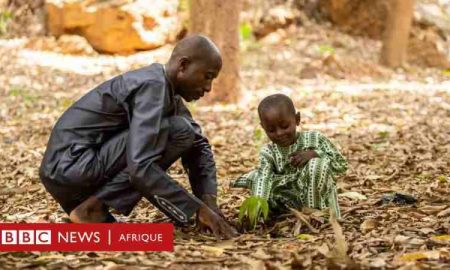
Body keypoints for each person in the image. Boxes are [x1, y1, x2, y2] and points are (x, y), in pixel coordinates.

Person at [39, 34, 237, 239]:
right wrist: (196, 210)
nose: (208, 88)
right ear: (183, 66)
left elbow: (199, 145)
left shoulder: (166, 89)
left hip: (68, 171)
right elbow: (140, 167)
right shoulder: (153, 86)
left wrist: (209, 204)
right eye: (207, 76)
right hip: (70, 165)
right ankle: (91, 210)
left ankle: (90, 207)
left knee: (184, 131)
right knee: (178, 131)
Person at [232, 94, 347, 221]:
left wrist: (315, 154)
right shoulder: (269, 151)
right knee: (257, 176)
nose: (279, 133)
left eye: (285, 126)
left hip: (319, 200)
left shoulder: (315, 139)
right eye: (271, 130)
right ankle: (269, 216)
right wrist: (255, 215)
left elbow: (341, 165)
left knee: (316, 165)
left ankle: (316, 215)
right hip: (287, 206)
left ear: (297, 119)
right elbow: (263, 180)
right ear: (263, 128)